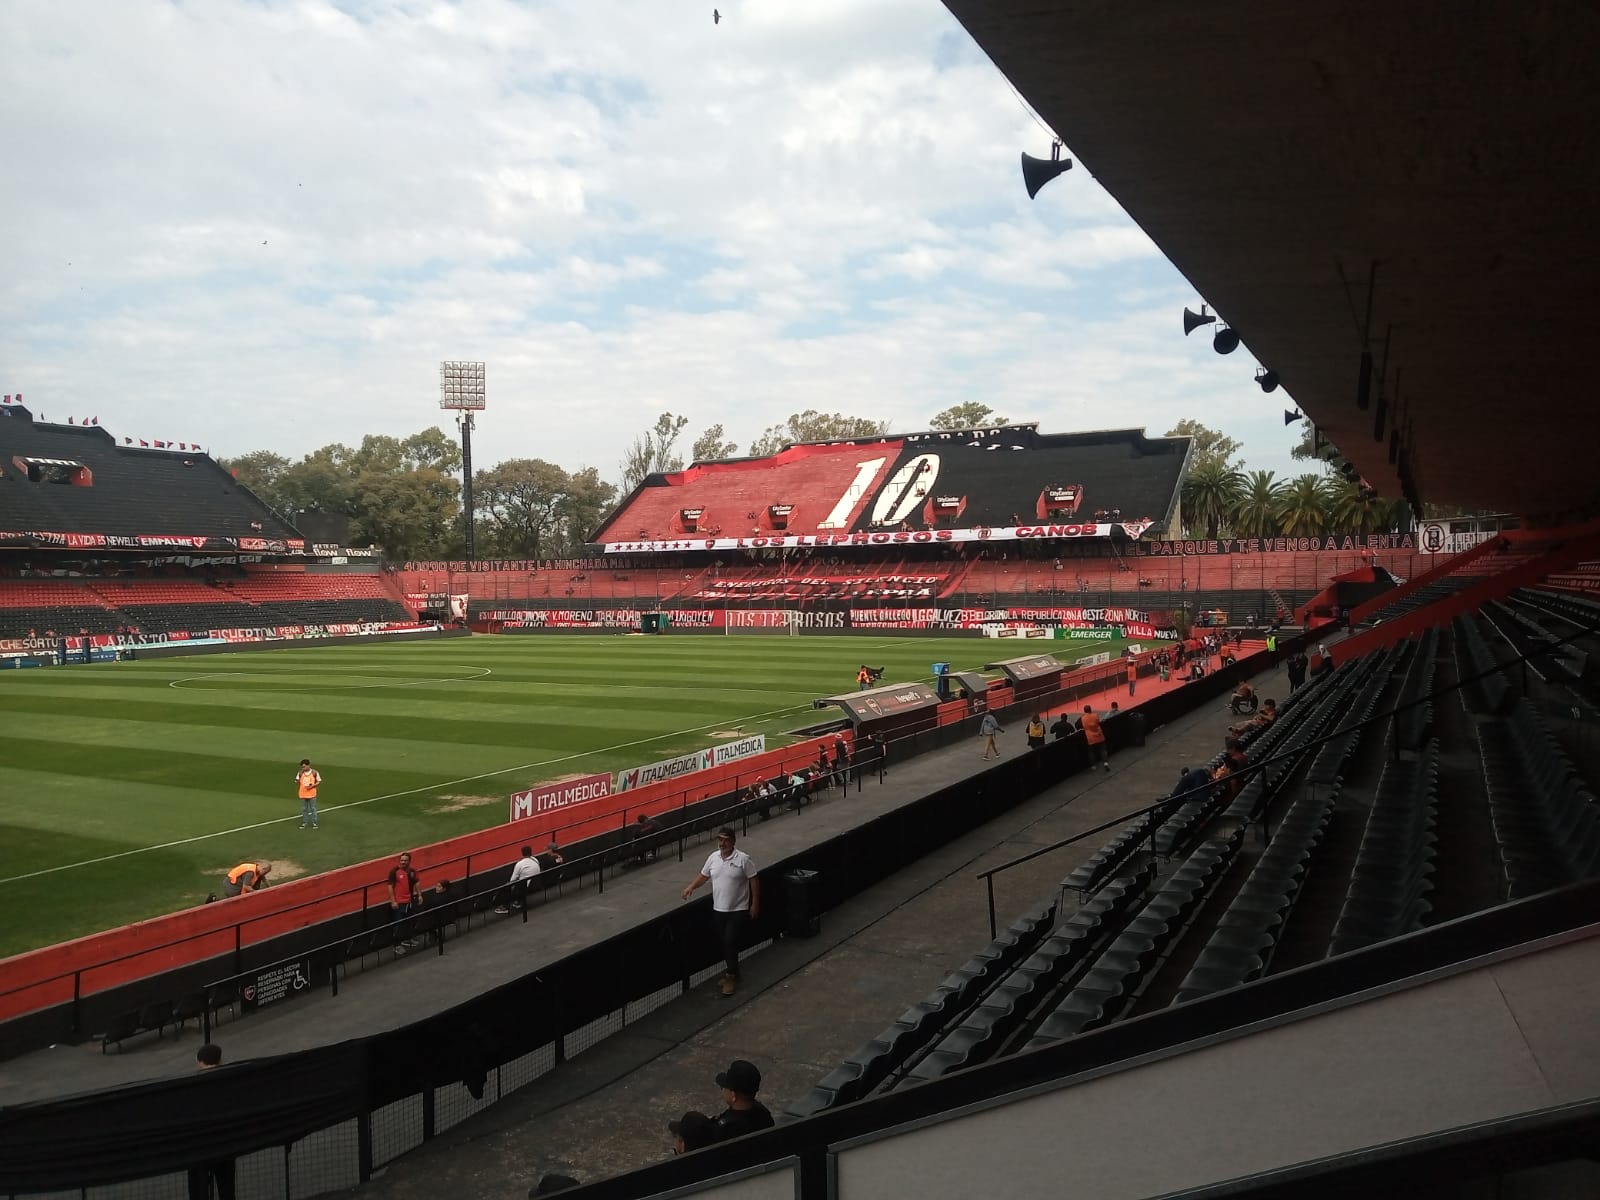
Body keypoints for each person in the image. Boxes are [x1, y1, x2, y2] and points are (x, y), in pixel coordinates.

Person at [681, 828, 760, 996]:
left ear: (733, 842)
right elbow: (704, 875)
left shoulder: (743, 859)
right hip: (719, 908)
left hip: (738, 908)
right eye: (720, 840)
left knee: (730, 940)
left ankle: (731, 976)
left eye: (725, 840)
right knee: (726, 942)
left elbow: (753, 879)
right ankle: (734, 972)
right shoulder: (713, 858)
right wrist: (691, 887)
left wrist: (754, 904)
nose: (722, 843)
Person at [187, 1044, 236, 1200]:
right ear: (220, 1060)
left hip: (199, 1149)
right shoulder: (227, 1083)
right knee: (227, 1189)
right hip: (224, 1146)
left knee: (198, 1191)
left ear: (198, 1061)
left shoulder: (191, 1087)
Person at [712, 1059, 775, 1140]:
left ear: (733, 1094)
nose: (723, 1091)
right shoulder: (764, 1114)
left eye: (723, 1088)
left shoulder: (725, 1129)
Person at [388, 852, 421, 950]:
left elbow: (416, 882)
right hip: (400, 903)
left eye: (405, 860)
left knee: (410, 921)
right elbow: (390, 887)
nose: (403, 862)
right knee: (398, 923)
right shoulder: (394, 871)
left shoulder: (412, 871)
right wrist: (393, 901)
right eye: (402, 860)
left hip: (410, 901)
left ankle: (408, 939)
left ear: (409, 861)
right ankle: (396, 945)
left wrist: (419, 895)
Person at [495, 846, 542, 914]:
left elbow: (512, 879)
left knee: (507, 886)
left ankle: (504, 907)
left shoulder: (520, 864)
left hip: (525, 887)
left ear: (522, 853)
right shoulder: (535, 860)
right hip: (536, 884)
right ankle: (518, 902)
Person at [1079, 705, 1110, 772]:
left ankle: (1093, 766)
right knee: (1103, 749)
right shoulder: (1095, 715)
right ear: (1090, 709)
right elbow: (1098, 723)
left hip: (1090, 737)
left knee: (1091, 752)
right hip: (1099, 734)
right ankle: (1105, 763)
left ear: (1084, 711)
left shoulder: (1083, 718)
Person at [295, 758, 321, 829]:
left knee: (313, 808)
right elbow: (297, 780)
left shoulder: (314, 772)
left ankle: (314, 823)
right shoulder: (300, 773)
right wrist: (296, 781)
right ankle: (304, 822)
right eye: (302, 767)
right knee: (304, 809)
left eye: (304, 766)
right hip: (302, 793)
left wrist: (312, 786)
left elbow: (318, 781)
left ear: (308, 765)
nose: (303, 768)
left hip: (312, 794)